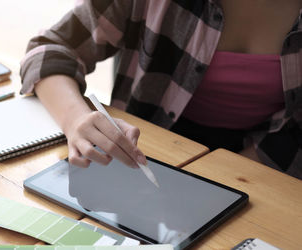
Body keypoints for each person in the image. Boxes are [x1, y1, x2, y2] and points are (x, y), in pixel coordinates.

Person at [19, 0, 302, 180]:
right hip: (142, 160)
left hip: (270, 168)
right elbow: (50, 48)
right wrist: (76, 119)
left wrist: (225, 179)